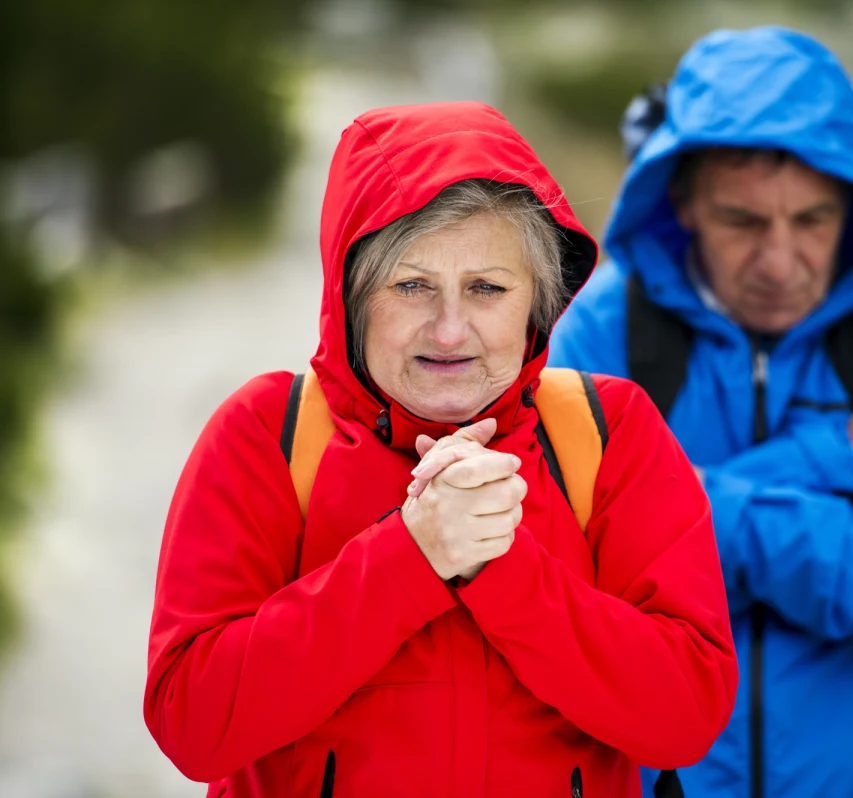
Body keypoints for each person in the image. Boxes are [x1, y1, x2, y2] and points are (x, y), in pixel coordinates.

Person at [144, 101, 738, 797]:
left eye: (487, 287)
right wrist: (410, 554)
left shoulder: (607, 432)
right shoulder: (267, 433)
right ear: (352, 295)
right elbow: (194, 723)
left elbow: (686, 717)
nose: (450, 330)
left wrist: (503, 569)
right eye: (411, 286)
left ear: (537, 305)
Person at [550, 27, 853, 798]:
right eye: (742, 221)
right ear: (683, 203)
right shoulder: (600, 326)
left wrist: (673, 514)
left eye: (814, 220)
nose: (781, 261)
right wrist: (838, 459)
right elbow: (578, 582)